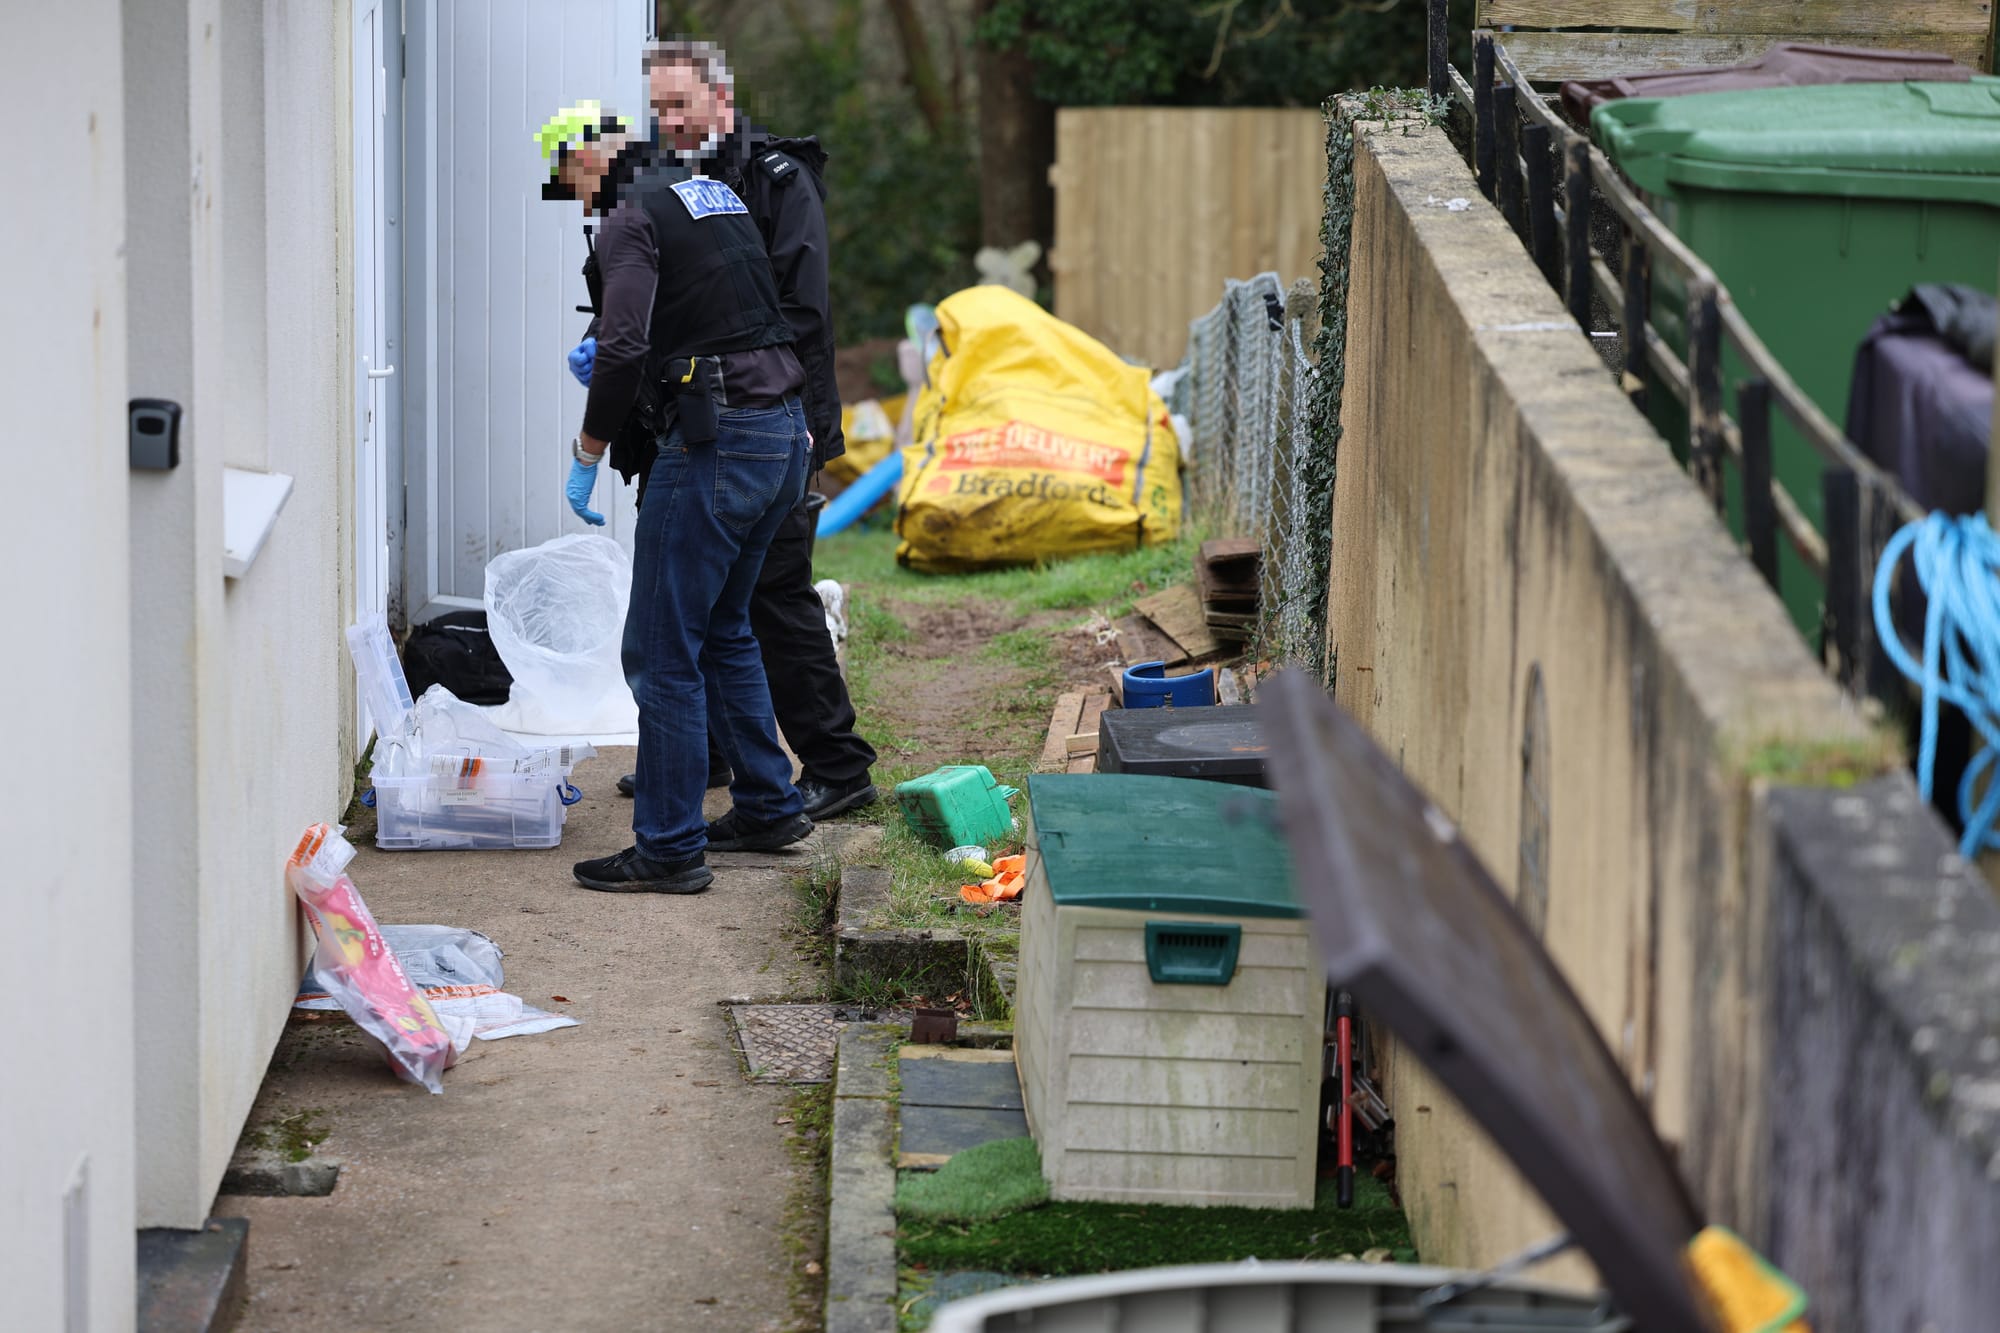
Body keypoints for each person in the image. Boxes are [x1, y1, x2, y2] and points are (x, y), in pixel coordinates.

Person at [578, 39, 879, 824]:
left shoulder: (776, 179)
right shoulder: (678, 184)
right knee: (701, 603)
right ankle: (707, 752)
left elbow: (801, 314)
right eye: (660, 109)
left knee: (771, 593)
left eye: (682, 104)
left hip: (767, 420)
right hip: (688, 420)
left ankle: (836, 764)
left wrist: (799, 424)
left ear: (723, 97)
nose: (670, 121)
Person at [536, 103, 814, 895]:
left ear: (588, 160)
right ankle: (767, 804)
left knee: (662, 648)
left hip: (717, 445)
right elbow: (721, 311)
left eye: (568, 179)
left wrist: (589, 448)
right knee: (724, 627)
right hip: (781, 432)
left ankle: (668, 845)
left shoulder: (628, 215)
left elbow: (625, 343)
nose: (576, 197)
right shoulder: (709, 195)